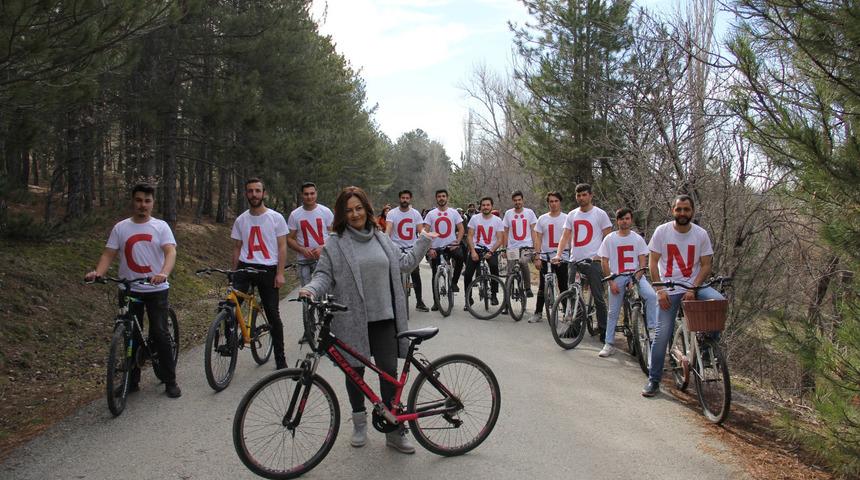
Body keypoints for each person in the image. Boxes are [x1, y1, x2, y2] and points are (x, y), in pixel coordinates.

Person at [299, 186, 434, 453]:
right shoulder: (335, 243)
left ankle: (393, 430)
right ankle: (359, 423)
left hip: (384, 317)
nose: (355, 214)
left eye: (359, 208)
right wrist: (311, 289)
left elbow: (404, 263)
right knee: (354, 372)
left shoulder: (381, 238)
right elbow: (323, 275)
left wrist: (423, 241)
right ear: (342, 214)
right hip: (351, 318)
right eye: (349, 210)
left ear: (367, 209)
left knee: (388, 372)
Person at [85, 184, 181, 398]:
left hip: (156, 288)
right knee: (131, 335)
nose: (142, 205)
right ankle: (131, 381)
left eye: (147, 201)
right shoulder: (121, 228)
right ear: (132, 201)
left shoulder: (161, 227)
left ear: (153, 203)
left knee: (160, 333)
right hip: (129, 289)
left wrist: (163, 273)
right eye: (138, 200)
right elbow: (108, 254)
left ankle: (170, 380)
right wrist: (98, 273)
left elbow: (170, 252)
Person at [643, 194, 724, 397]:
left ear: (692, 211)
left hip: (693, 287)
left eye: (686, 209)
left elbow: (706, 265)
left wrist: (693, 288)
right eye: (678, 209)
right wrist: (659, 290)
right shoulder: (662, 231)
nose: (682, 213)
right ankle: (654, 380)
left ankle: (706, 350)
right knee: (662, 335)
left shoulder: (700, 234)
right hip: (668, 289)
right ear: (673, 210)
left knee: (719, 302)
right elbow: (653, 262)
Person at [230, 178, 289, 369]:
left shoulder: (276, 218)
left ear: (264, 193)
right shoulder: (241, 220)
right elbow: (237, 247)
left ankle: (280, 358)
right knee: (230, 307)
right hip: (245, 267)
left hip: (267, 269)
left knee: (272, 313)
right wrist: (234, 272)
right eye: (250, 191)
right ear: (246, 194)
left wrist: (280, 273)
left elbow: (282, 247)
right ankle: (229, 345)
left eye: (257, 191)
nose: (254, 194)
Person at [552, 183, 612, 343]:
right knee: (573, 294)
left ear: (591, 195)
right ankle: (574, 328)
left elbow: (608, 238)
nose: (581, 198)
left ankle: (604, 330)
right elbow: (565, 236)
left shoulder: (600, 214)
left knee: (598, 296)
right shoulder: (572, 215)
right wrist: (558, 254)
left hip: (594, 261)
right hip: (574, 261)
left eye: (584, 195)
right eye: (578, 195)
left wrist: (601, 256)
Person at [597, 207, 658, 357]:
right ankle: (609, 343)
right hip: (617, 277)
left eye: (627, 218)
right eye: (621, 219)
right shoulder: (610, 238)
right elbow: (604, 261)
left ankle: (651, 328)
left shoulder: (637, 239)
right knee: (613, 312)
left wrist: (635, 279)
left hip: (635, 276)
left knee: (651, 296)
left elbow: (642, 262)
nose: (624, 221)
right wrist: (611, 282)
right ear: (617, 221)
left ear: (631, 220)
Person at [386, 190, 429, 312]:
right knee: (394, 275)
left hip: (411, 248)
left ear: (410, 199)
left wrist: (426, 237)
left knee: (415, 274)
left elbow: (420, 230)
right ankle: (394, 302)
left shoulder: (415, 213)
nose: (405, 200)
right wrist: (385, 239)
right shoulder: (392, 213)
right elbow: (388, 229)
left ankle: (419, 302)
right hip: (396, 249)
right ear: (399, 199)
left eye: (407, 198)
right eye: (403, 198)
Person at [530, 191, 569, 323]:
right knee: (542, 286)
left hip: (562, 257)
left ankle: (566, 313)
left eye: (556, 201)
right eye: (551, 201)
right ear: (548, 203)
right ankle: (538, 312)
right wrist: (537, 256)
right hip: (545, 257)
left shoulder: (567, 218)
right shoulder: (542, 219)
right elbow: (538, 239)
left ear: (560, 202)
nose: (553, 204)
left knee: (563, 286)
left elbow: (571, 237)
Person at [424, 189, 465, 311]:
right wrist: (429, 248)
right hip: (436, 247)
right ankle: (436, 302)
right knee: (435, 274)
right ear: (436, 198)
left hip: (451, 245)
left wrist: (458, 241)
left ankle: (454, 282)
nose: (441, 198)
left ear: (447, 198)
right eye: (439, 196)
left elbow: (461, 229)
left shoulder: (454, 212)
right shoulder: (431, 214)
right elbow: (426, 232)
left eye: (443, 196)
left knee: (460, 257)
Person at [287, 182, 334, 286]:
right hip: (304, 261)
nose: (309, 197)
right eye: (306, 194)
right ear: (301, 195)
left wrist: (323, 247)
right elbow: (289, 239)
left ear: (316, 193)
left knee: (325, 289)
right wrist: (301, 249)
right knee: (307, 292)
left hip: (323, 258)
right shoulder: (295, 215)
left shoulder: (326, 211)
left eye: (312, 193)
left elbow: (334, 234)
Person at [464, 196, 506, 310]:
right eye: (483, 205)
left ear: (491, 206)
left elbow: (499, 239)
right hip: (476, 248)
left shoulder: (497, 220)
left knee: (494, 267)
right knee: (468, 274)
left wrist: (491, 251)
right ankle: (468, 299)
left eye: (488, 205)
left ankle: (494, 294)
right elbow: (470, 236)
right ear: (480, 207)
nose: (485, 207)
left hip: (491, 249)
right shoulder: (475, 218)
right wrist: (473, 251)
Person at [503, 190, 538, 299]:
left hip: (526, 247)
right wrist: (504, 248)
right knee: (510, 272)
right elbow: (505, 232)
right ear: (512, 201)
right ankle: (506, 299)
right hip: (512, 248)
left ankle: (527, 288)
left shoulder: (529, 213)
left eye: (519, 200)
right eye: (515, 200)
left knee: (523, 262)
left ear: (523, 200)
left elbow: (533, 231)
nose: (517, 202)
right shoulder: (508, 213)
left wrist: (535, 249)